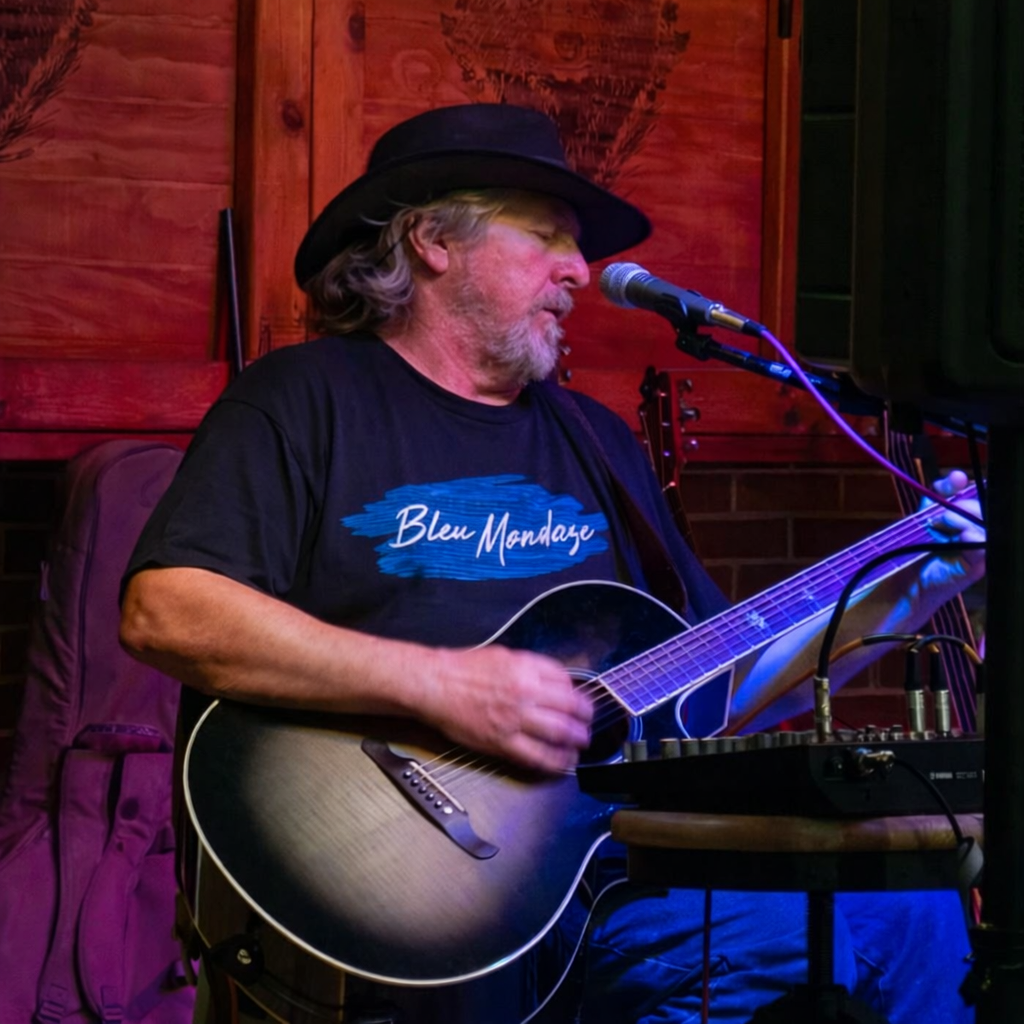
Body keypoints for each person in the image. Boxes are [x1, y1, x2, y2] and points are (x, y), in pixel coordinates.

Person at [119, 103, 984, 1024]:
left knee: (910, 909)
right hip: (396, 875)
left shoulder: (596, 442)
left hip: (612, 878)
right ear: (431, 242)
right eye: (546, 237)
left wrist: (907, 592)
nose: (578, 271)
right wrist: (440, 685)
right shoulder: (302, 399)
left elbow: (716, 690)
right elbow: (167, 609)